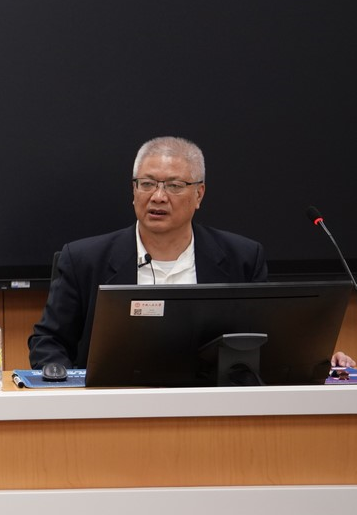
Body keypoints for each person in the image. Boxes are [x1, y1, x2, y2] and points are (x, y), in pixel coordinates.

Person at [28, 136, 354, 370]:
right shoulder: (84, 259)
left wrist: (318, 361)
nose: (158, 196)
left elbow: (267, 343)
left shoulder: (241, 258)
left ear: (199, 194)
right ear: (133, 190)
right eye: (147, 184)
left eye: (173, 186)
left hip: (212, 409)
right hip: (111, 408)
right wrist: (63, 380)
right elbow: (48, 342)